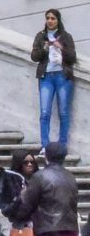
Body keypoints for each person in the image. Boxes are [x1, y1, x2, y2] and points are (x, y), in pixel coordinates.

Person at [40, 10, 80, 152]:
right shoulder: (41, 36)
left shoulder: (66, 36)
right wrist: (44, 49)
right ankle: (45, 146)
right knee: (45, 112)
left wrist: (60, 47)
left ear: (58, 20)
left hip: (62, 76)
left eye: (53, 18)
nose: (50, 21)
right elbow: (34, 56)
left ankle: (62, 146)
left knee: (63, 112)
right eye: (48, 18)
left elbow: (72, 57)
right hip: (46, 77)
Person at [14, 145, 77, 235]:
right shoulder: (71, 177)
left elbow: (29, 204)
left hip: (47, 229)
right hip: (70, 228)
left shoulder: (40, 176)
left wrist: (18, 217)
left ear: (46, 156)